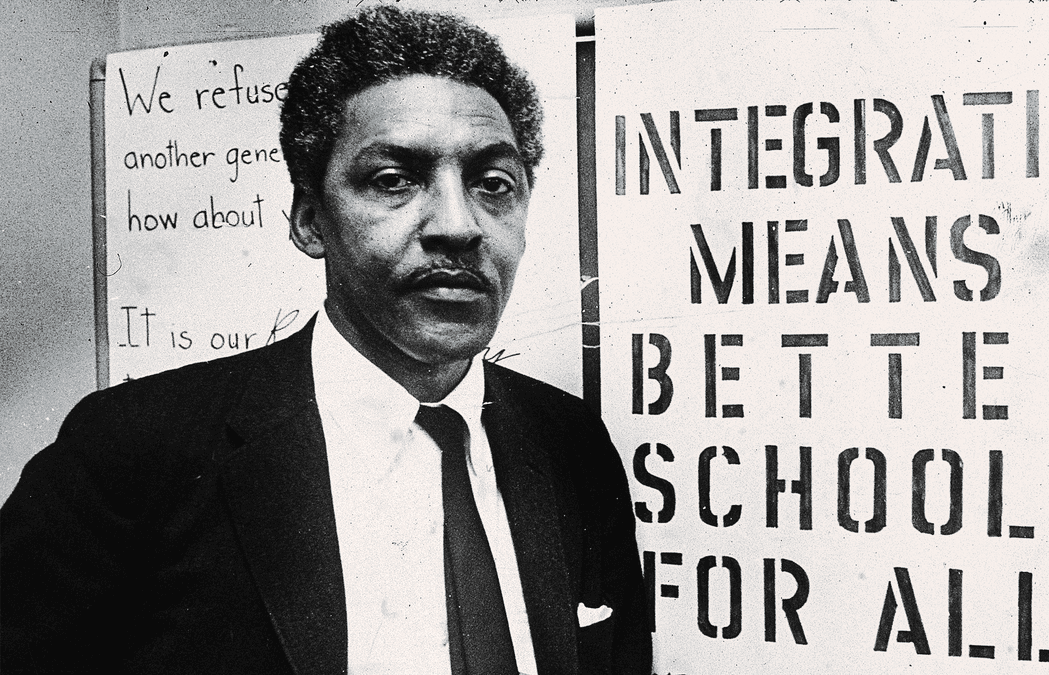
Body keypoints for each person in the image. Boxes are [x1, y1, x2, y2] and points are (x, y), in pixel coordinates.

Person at [0, 7, 651, 674]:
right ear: (311, 221)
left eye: (493, 184)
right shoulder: (133, 452)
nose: (459, 224)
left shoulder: (572, 446)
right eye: (394, 180)